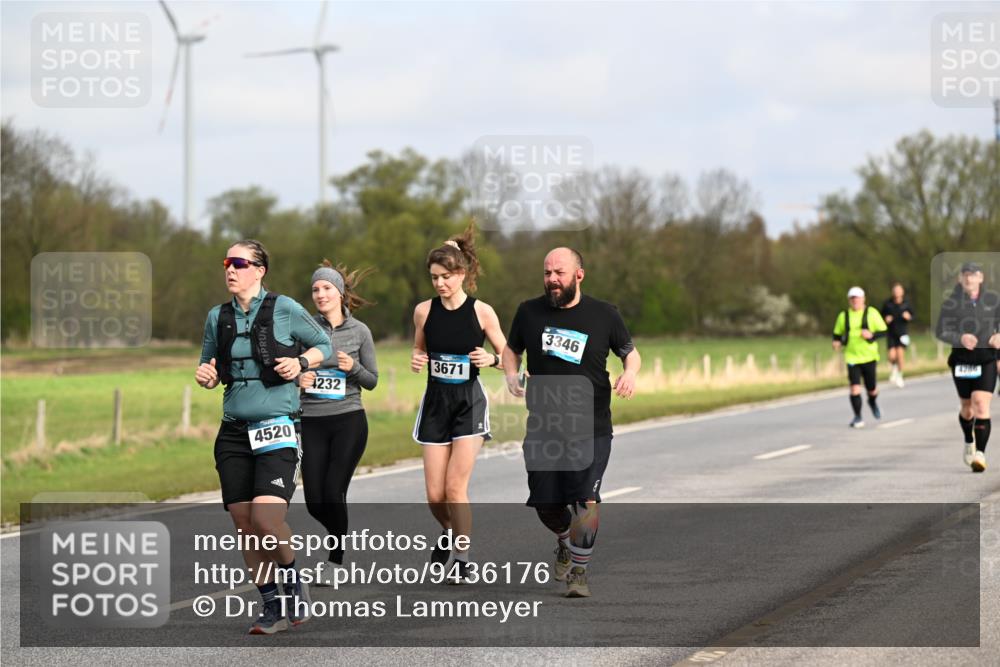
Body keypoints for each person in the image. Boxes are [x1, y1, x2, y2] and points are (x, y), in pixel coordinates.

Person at [195, 240, 332, 635]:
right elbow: (209, 366)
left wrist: (302, 361)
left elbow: (322, 344)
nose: (230, 269)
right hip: (234, 432)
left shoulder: (285, 308)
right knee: (243, 523)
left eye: (238, 263)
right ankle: (271, 606)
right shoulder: (216, 317)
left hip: (277, 427)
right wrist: (205, 376)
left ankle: (292, 578)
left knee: (266, 518)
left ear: (259, 270)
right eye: (226, 263)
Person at [502, 247, 640, 598]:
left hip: (591, 426)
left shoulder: (604, 314)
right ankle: (564, 541)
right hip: (544, 427)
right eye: (547, 272)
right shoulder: (528, 312)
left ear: (579, 274)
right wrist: (511, 374)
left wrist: (630, 373)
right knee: (547, 504)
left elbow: (629, 351)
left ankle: (580, 570)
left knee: (584, 498)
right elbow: (511, 349)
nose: (552, 279)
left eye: (559, 273)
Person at [410, 223, 507, 581]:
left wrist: (493, 361)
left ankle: (463, 559)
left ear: (462, 274)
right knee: (435, 496)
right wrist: (417, 359)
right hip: (435, 403)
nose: (439, 284)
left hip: (469, 402)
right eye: (434, 277)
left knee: (454, 488)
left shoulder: (482, 312)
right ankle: (452, 534)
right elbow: (419, 349)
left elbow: (510, 357)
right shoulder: (423, 311)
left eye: (446, 276)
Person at [298, 261, 378, 584]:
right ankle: (339, 532)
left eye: (327, 288)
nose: (320, 294)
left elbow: (372, 380)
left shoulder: (360, 332)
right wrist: (298, 378)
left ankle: (335, 560)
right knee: (314, 501)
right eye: (315, 289)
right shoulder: (303, 330)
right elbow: (289, 370)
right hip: (311, 421)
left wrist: (353, 369)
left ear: (340, 293)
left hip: (348, 420)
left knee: (333, 491)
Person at [934, 262, 1000, 472]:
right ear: (960, 279)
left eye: (973, 275)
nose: (969, 279)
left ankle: (980, 454)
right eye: (965, 275)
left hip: (987, 358)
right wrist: (959, 337)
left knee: (981, 403)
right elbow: (940, 331)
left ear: (981, 278)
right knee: (967, 407)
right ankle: (968, 439)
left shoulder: (993, 301)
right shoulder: (951, 303)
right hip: (962, 361)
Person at [831, 286, 888, 428]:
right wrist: (836, 342)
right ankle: (858, 416)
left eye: (857, 298)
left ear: (863, 299)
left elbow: (884, 331)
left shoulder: (871, 313)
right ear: (849, 301)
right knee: (854, 388)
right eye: (852, 298)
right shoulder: (843, 316)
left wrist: (872, 335)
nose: (855, 301)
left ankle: (872, 401)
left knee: (872, 389)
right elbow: (837, 333)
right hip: (852, 357)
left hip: (869, 357)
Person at [881, 282, 915, 388]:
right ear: (892, 292)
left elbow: (913, 316)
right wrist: (886, 319)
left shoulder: (906, 304)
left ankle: (900, 376)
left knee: (900, 356)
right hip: (891, 333)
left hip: (903, 334)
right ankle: (894, 369)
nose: (897, 292)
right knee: (891, 356)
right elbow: (881, 316)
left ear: (902, 292)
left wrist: (908, 317)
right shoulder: (887, 304)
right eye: (895, 290)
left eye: (899, 290)